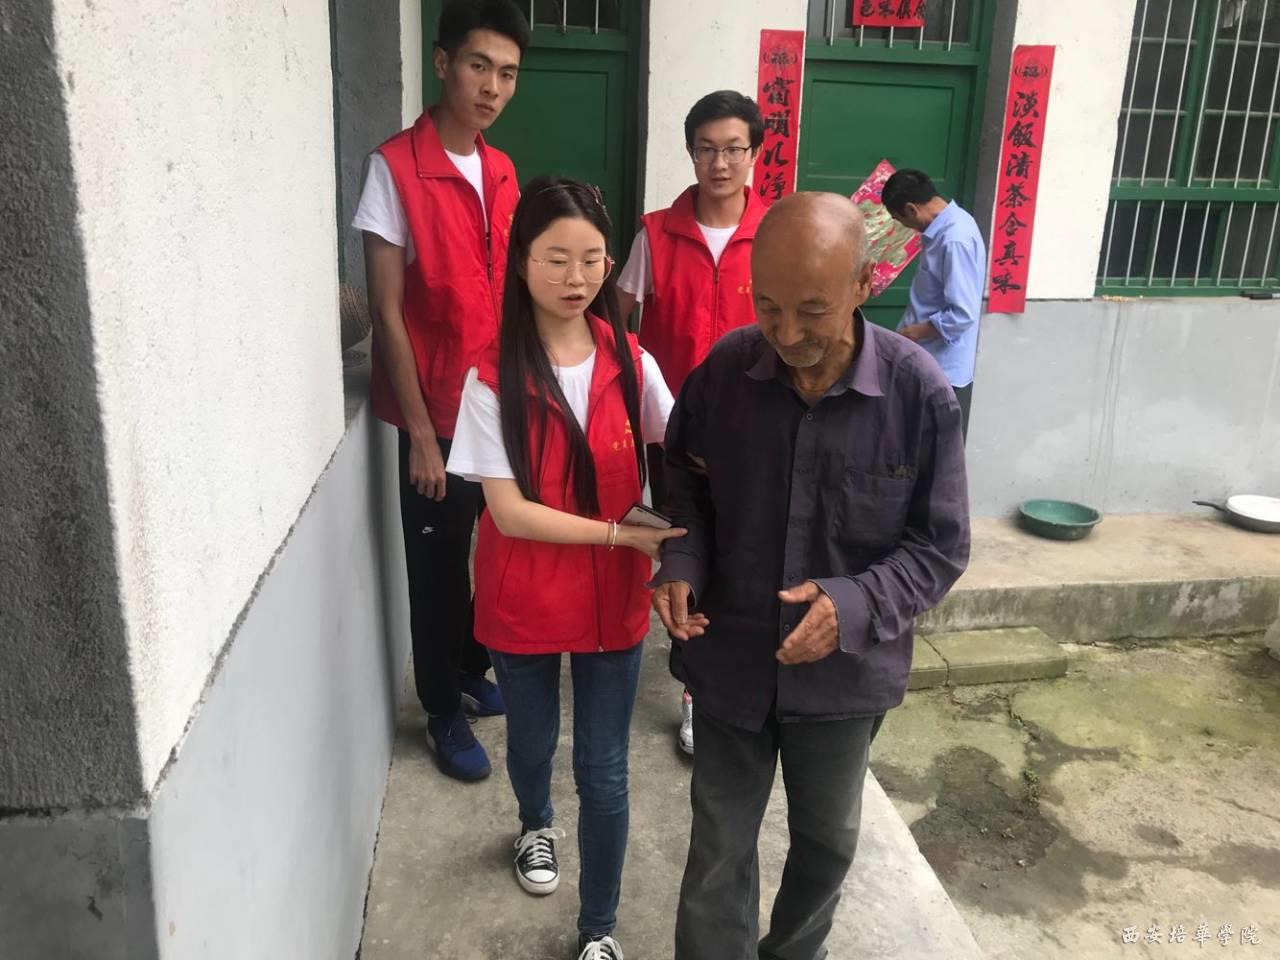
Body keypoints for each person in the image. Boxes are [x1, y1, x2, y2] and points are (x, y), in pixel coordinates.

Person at [651, 192, 971, 960]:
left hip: (843, 677)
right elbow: (683, 483)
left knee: (827, 843)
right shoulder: (724, 374)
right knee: (719, 845)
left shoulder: (917, 393)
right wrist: (682, 563)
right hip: (731, 654)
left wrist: (855, 602)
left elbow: (940, 545)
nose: (787, 333)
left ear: (865, 284)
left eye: (812, 311)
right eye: (768, 306)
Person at [447, 177, 682, 960]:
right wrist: (620, 536)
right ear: (521, 262)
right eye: (556, 259)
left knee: (605, 770)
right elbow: (509, 513)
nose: (575, 278)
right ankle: (533, 825)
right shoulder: (490, 377)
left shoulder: (631, 362)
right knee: (533, 742)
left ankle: (599, 929)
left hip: (613, 605)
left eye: (591, 260)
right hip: (524, 599)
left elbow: (683, 447)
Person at [352, 0, 529, 782]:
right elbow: (387, 312)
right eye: (479, 66)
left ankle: (467, 666)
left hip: (497, 403)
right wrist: (422, 435)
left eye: (508, 73)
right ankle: (441, 710)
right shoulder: (395, 168)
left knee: (503, 546)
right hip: (434, 413)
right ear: (442, 63)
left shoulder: (503, 170)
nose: (492, 87)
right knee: (437, 567)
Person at [616, 89, 766, 755]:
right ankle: (696, 691)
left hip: (755, 436)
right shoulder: (654, 235)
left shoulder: (776, 232)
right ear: (690, 153)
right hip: (672, 438)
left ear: (754, 153)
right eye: (707, 149)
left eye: (733, 148)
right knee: (685, 550)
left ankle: (737, 676)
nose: (720, 163)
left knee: (744, 553)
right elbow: (615, 325)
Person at [882, 168, 987, 437]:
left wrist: (911, 333)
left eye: (901, 220)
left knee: (926, 446)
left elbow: (962, 315)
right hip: (926, 363)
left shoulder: (954, 239)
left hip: (939, 370)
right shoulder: (949, 226)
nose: (906, 227)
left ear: (911, 209)